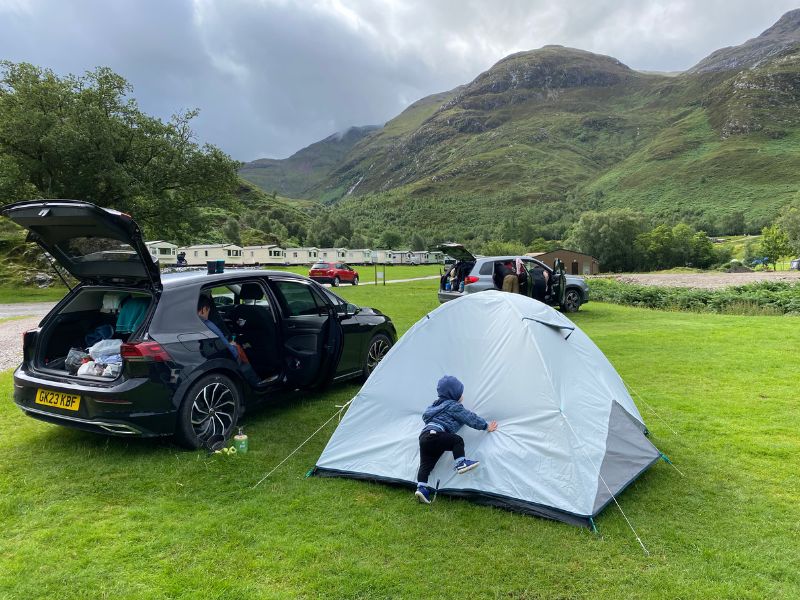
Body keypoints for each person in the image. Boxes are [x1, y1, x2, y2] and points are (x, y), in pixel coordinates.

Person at [415, 375, 498, 504]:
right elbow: (469, 418)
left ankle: (421, 488)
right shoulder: (453, 406)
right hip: (436, 434)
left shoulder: (435, 406)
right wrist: (486, 426)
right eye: (460, 393)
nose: (462, 395)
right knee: (457, 441)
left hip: (424, 436)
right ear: (453, 395)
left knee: (426, 465)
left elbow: (427, 416)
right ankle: (461, 463)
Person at [197, 295, 262, 388]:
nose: (209, 313)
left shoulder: (197, 324)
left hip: (211, 358)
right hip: (228, 359)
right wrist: (237, 349)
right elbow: (227, 346)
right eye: (208, 310)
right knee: (245, 353)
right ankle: (257, 384)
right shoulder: (209, 324)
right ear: (204, 309)